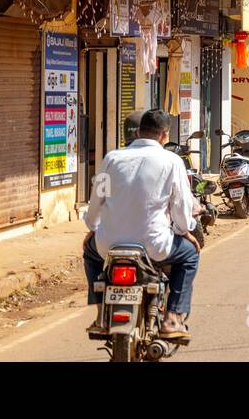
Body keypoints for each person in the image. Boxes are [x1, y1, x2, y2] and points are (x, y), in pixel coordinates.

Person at [82, 109, 200, 340]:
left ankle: (100, 314)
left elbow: (97, 199)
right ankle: (173, 318)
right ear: (164, 136)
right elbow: (181, 208)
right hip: (154, 246)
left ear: (138, 132)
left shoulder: (112, 158)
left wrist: (93, 228)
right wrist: (185, 231)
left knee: (90, 252)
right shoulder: (172, 161)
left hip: (110, 244)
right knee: (190, 256)